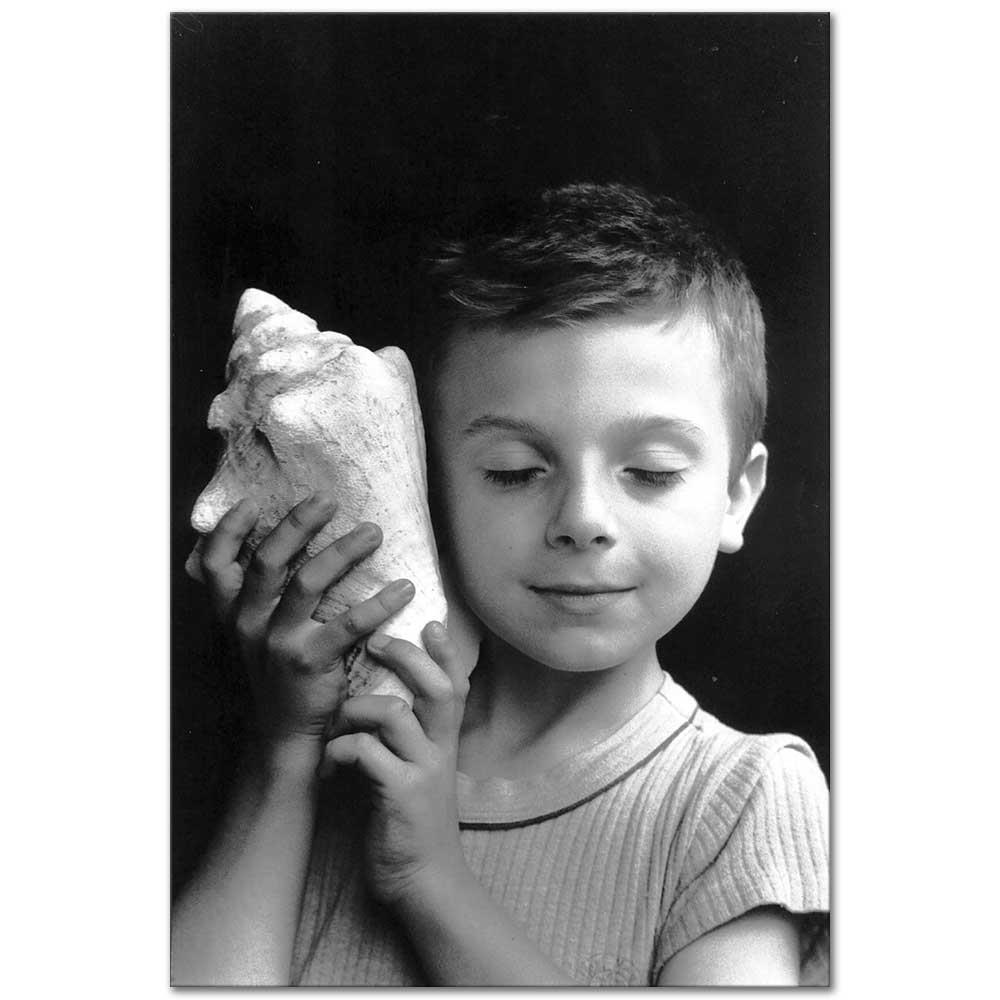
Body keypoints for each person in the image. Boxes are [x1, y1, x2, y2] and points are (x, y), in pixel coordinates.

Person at [171, 182, 830, 986]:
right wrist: (283, 754)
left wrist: (432, 880)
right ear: (426, 484)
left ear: (736, 494)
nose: (582, 520)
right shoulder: (348, 755)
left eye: (650, 473)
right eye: (515, 472)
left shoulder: (741, 797)